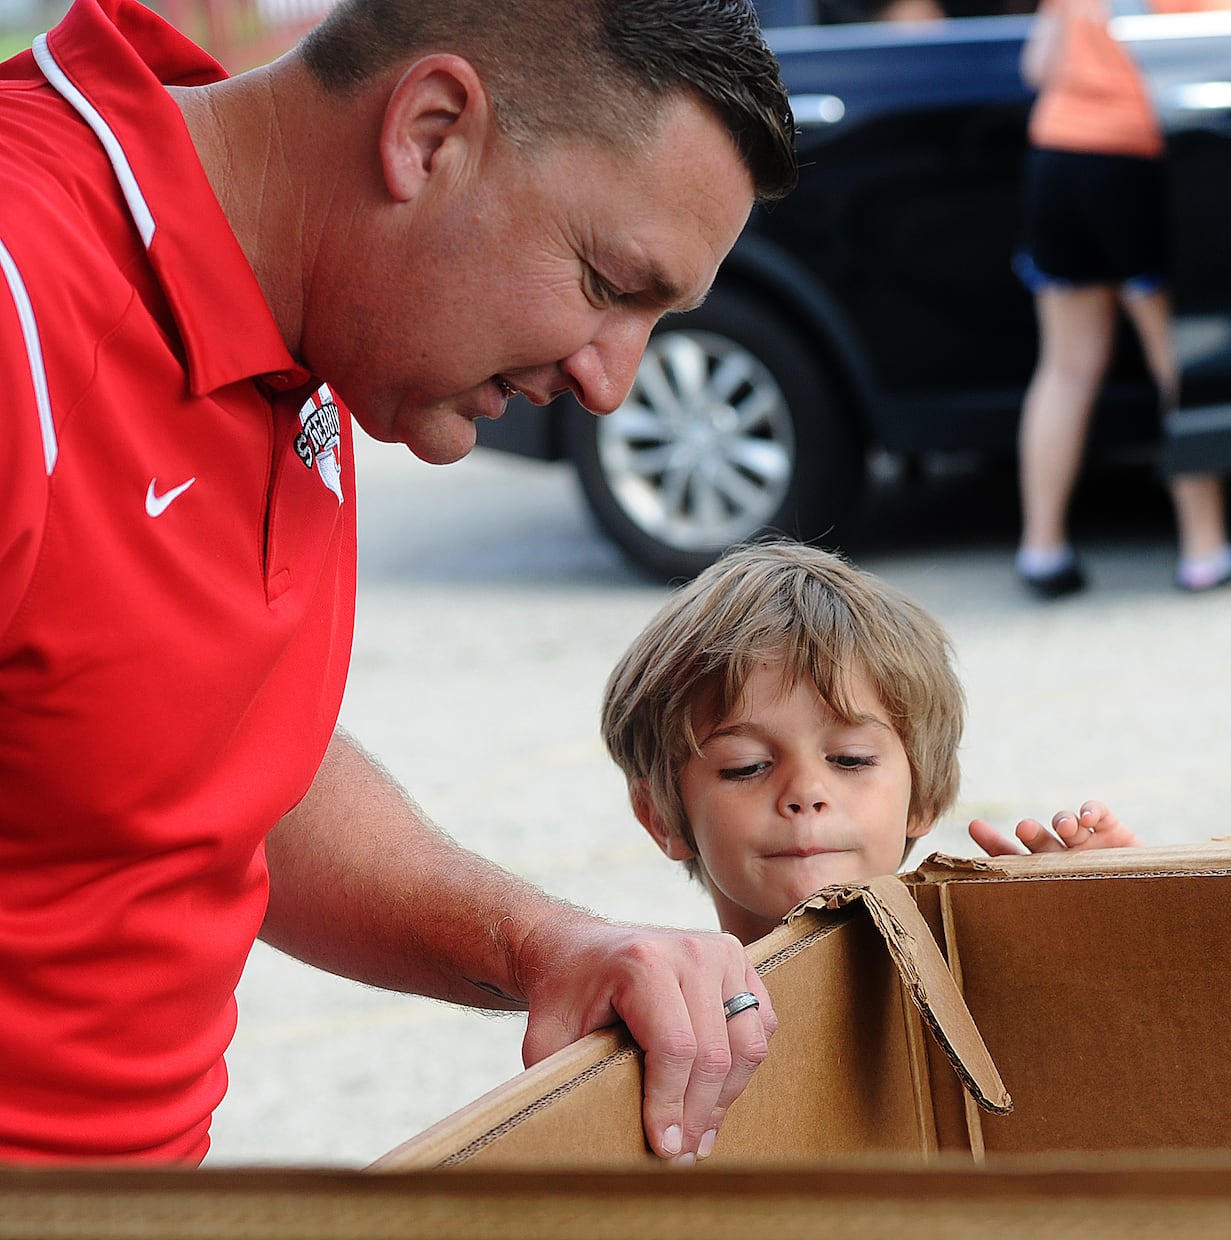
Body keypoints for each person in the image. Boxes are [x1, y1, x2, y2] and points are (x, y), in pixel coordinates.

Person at [0, 0, 797, 1165]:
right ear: (428, 132)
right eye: (604, 283)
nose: (611, 383)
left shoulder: (314, 300)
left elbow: (193, 753)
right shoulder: (26, 298)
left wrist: (546, 943)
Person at [601, 540, 1141, 945]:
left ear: (924, 794)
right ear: (662, 818)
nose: (806, 793)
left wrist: (1121, 920)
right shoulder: (661, 1043)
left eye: (850, 760)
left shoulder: (995, 985)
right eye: (746, 767)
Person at [1011, 0, 1231, 597]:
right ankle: (1206, 551)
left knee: (1064, 364)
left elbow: (1038, 66)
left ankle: (1042, 551)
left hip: (1057, 155)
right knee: (1176, 359)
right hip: (1137, 159)